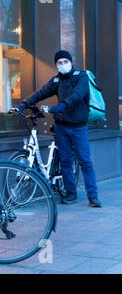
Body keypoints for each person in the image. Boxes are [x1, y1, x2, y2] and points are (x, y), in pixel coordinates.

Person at [16, 50, 102, 207]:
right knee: (66, 161)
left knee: (85, 161)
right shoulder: (56, 80)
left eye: (65, 62)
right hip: (61, 127)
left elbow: (76, 95)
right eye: (59, 63)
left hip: (78, 127)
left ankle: (93, 196)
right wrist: (23, 104)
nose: (62, 65)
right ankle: (71, 193)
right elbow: (41, 92)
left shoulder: (81, 76)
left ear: (70, 62)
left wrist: (59, 107)